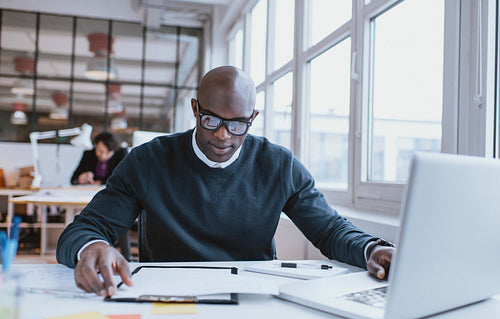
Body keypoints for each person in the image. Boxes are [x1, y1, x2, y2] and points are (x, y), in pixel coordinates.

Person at [57, 66, 394, 297]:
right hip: (168, 297)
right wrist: (93, 246)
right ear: (194, 108)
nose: (222, 135)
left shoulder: (278, 165)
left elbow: (330, 231)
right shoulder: (148, 161)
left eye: (237, 125)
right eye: (211, 119)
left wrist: (371, 248)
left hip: (254, 299)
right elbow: (81, 231)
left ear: (253, 118)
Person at [70, 131, 131, 260]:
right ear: (95, 146)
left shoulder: (121, 154)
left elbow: (123, 178)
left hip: (113, 197)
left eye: (107, 153)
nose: (102, 155)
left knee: (118, 216)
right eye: (99, 151)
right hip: (89, 197)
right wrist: (80, 179)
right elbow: (73, 178)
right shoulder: (88, 154)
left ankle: (126, 256)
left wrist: (99, 182)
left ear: (113, 150)